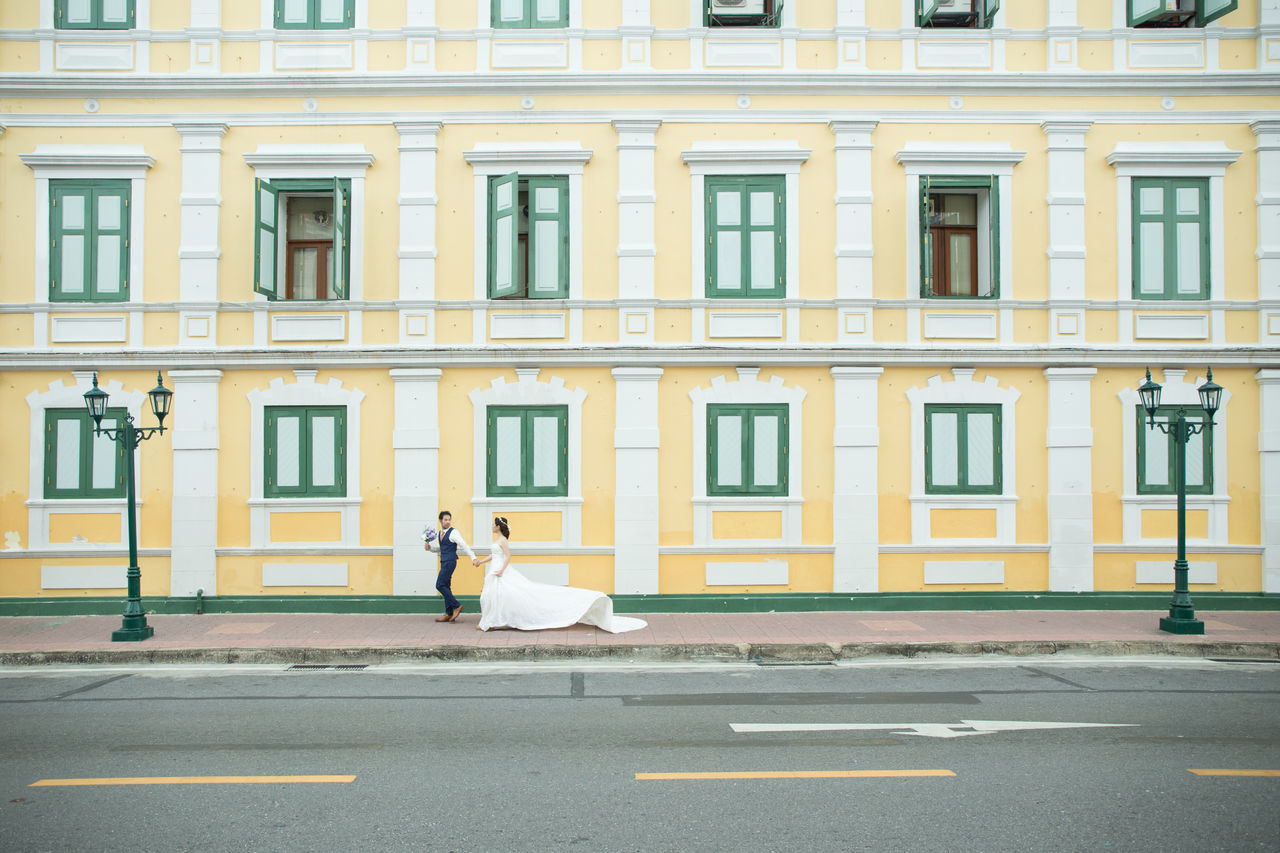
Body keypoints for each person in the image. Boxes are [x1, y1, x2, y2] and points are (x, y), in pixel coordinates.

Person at [473, 517, 647, 634]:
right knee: (492, 595)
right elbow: (495, 555)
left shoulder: (502, 541)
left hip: (500, 571)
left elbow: (508, 556)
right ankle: (490, 621)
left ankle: (490, 622)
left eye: (494, 524)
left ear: (498, 526)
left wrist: (502, 570)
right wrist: (481, 562)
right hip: (494, 569)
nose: (492, 526)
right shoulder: (497, 541)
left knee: (503, 595)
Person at [425, 510, 476, 623]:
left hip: (450, 562)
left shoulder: (454, 532)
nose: (448, 522)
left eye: (449, 520)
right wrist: (430, 548)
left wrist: (473, 557)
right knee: (446, 586)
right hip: (444, 561)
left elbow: (463, 545)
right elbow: (441, 549)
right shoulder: (439, 534)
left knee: (439, 585)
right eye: (445, 520)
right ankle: (448, 613)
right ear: (440, 521)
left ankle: (456, 606)